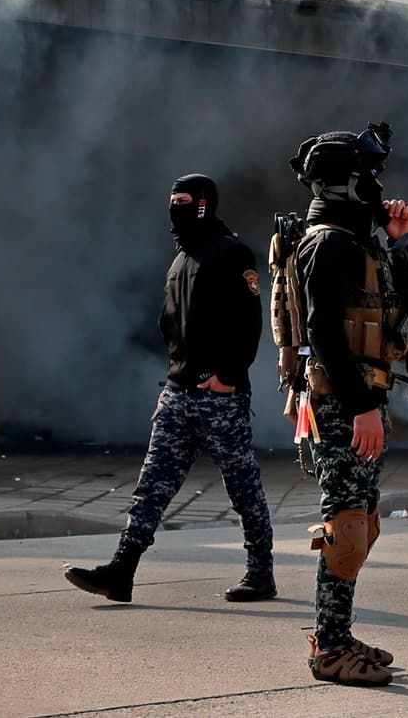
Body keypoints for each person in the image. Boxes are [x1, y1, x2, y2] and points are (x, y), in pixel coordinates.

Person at [65, 174, 273, 603]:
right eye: (172, 200)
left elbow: (250, 322)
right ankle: (121, 571)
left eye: (184, 201)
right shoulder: (181, 259)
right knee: (152, 485)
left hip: (220, 398)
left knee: (242, 486)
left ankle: (261, 572)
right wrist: (176, 377)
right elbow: (171, 324)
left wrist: (226, 378)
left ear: (203, 205)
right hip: (178, 394)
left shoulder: (231, 253)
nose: (175, 208)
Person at [289, 125, 408, 687]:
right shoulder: (329, 242)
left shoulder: (353, 240)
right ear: (345, 183)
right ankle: (330, 649)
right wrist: (362, 407)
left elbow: (398, 318)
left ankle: (335, 631)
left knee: (362, 523)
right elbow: (325, 335)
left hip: (359, 399)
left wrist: (398, 240)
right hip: (343, 404)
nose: (377, 184)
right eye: (368, 175)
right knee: (345, 526)